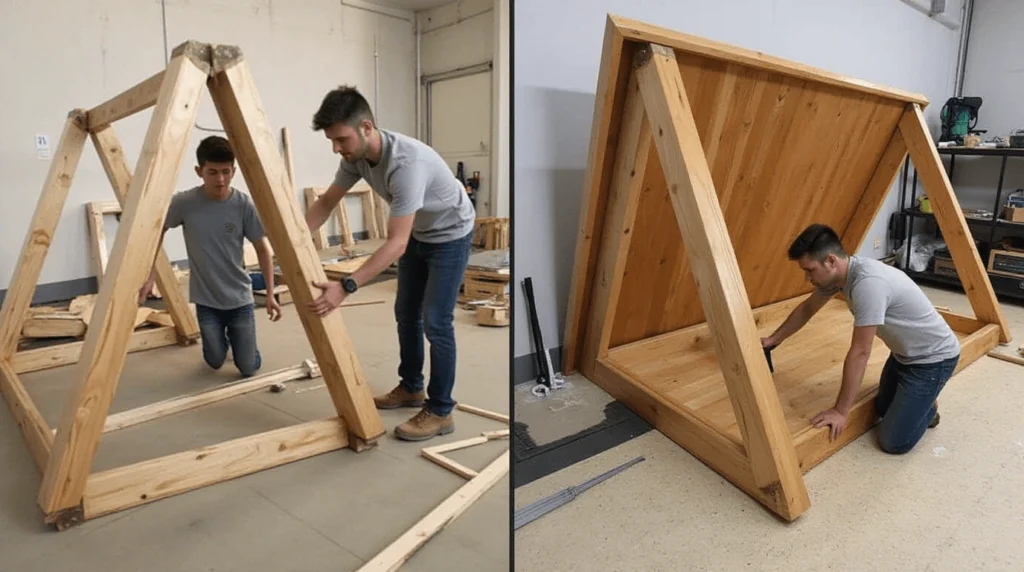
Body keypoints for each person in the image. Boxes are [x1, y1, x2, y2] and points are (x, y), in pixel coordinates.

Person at [304, 85, 476, 442]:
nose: (337, 148)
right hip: (419, 232)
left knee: (437, 321)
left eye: (341, 139)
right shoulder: (355, 159)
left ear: (366, 127)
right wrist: (292, 239)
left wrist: (347, 286)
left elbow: (395, 243)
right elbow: (326, 203)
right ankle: (412, 386)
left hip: (450, 233)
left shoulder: (406, 164)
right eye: (332, 141)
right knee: (405, 312)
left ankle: (441, 410)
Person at [762, 223, 960, 454]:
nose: (808, 278)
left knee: (893, 442)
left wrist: (840, 411)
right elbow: (807, 309)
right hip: (903, 356)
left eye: (810, 270)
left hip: (933, 361)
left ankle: (927, 408)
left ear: (831, 261)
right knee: (882, 407)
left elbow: (861, 352)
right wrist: (773, 339)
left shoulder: (868, 285)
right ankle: (921, 403)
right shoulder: (839, 277)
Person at [139, 135, 282, 378]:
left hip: (239, 299)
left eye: (226, 172)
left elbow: (262, 249)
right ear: (199, 171)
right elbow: (157, 231)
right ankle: (224, 343)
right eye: (212, 172)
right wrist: (150, 276)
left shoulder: (243, 205)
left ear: (234, 171)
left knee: (248, 368)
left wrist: (269, 294)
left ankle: (245, 347)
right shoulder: (185, 203)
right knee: (214, 361)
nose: (220, 179)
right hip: (206, 300)